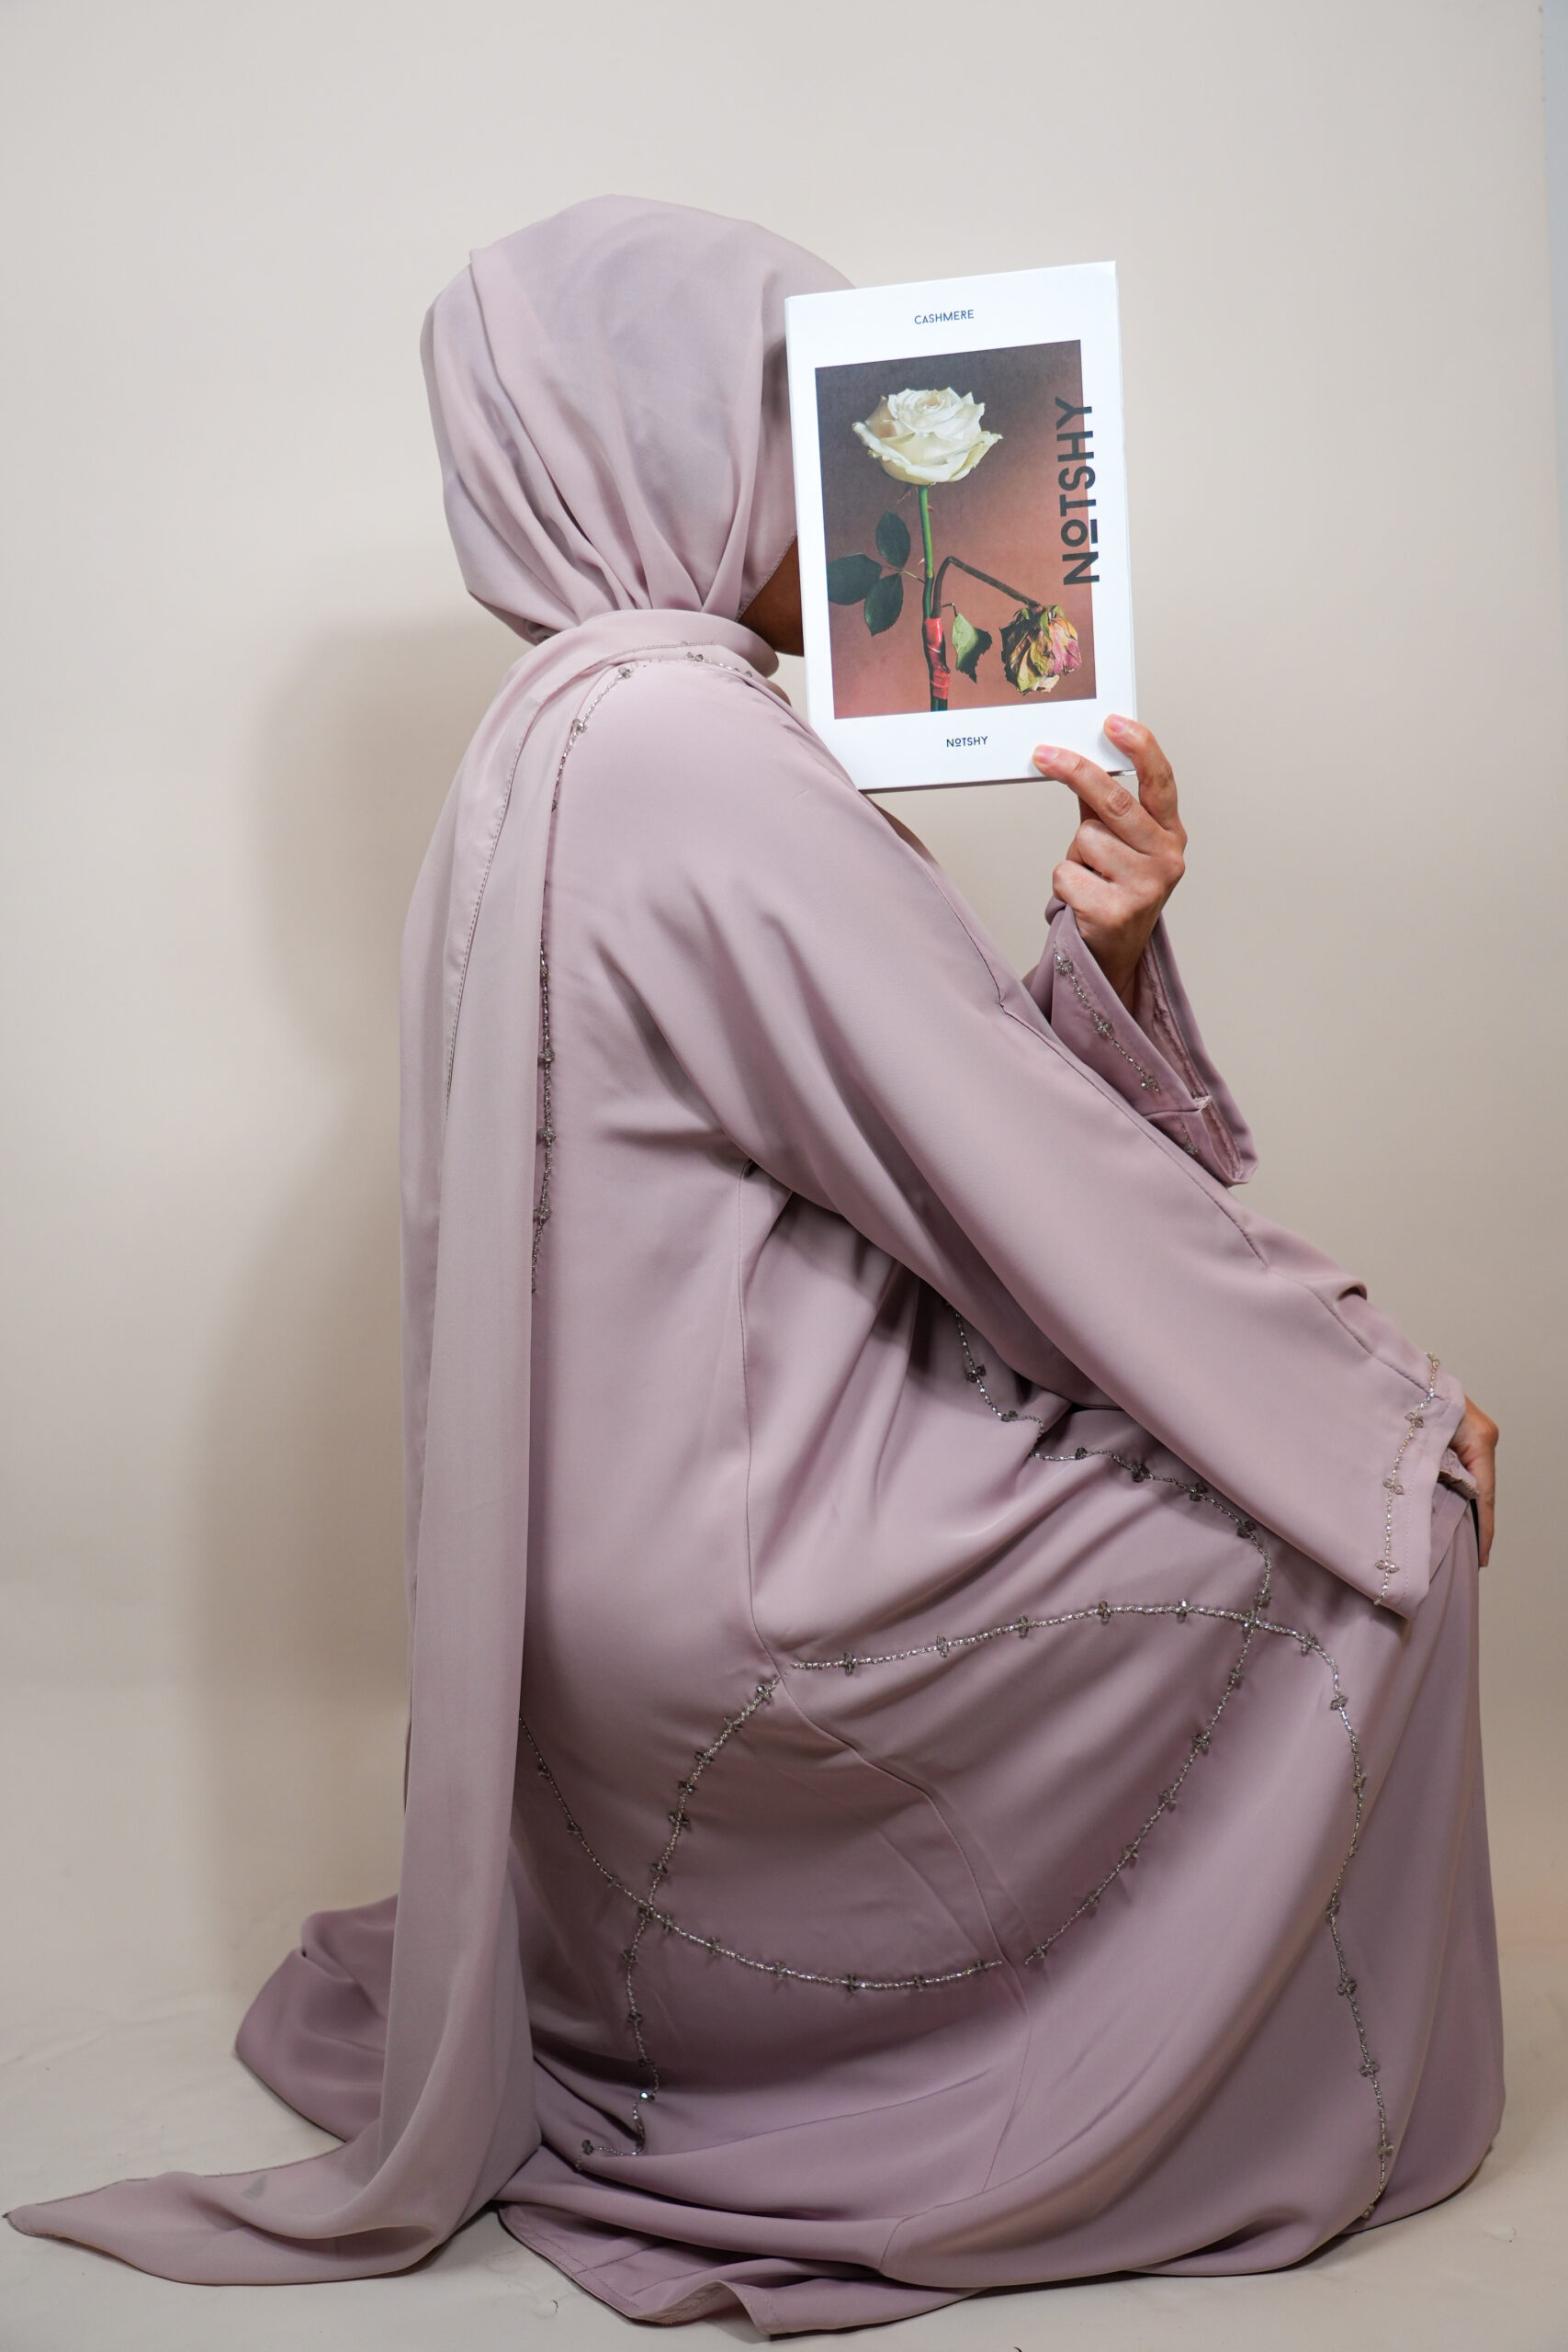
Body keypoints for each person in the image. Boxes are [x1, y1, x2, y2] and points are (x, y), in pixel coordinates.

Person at [7, 196, 1502, 2335]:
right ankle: (1096, 2099)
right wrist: (1371, 1396)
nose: (852, 496)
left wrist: (1099, 945)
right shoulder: (689, 749)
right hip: (760, 1587)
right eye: (803, 427)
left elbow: (898, 1128)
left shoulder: (548, 740)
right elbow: (1008, 1186)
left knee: (1323, 1472)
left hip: (610, 1588)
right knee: (1382, 1533)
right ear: (679, 450)